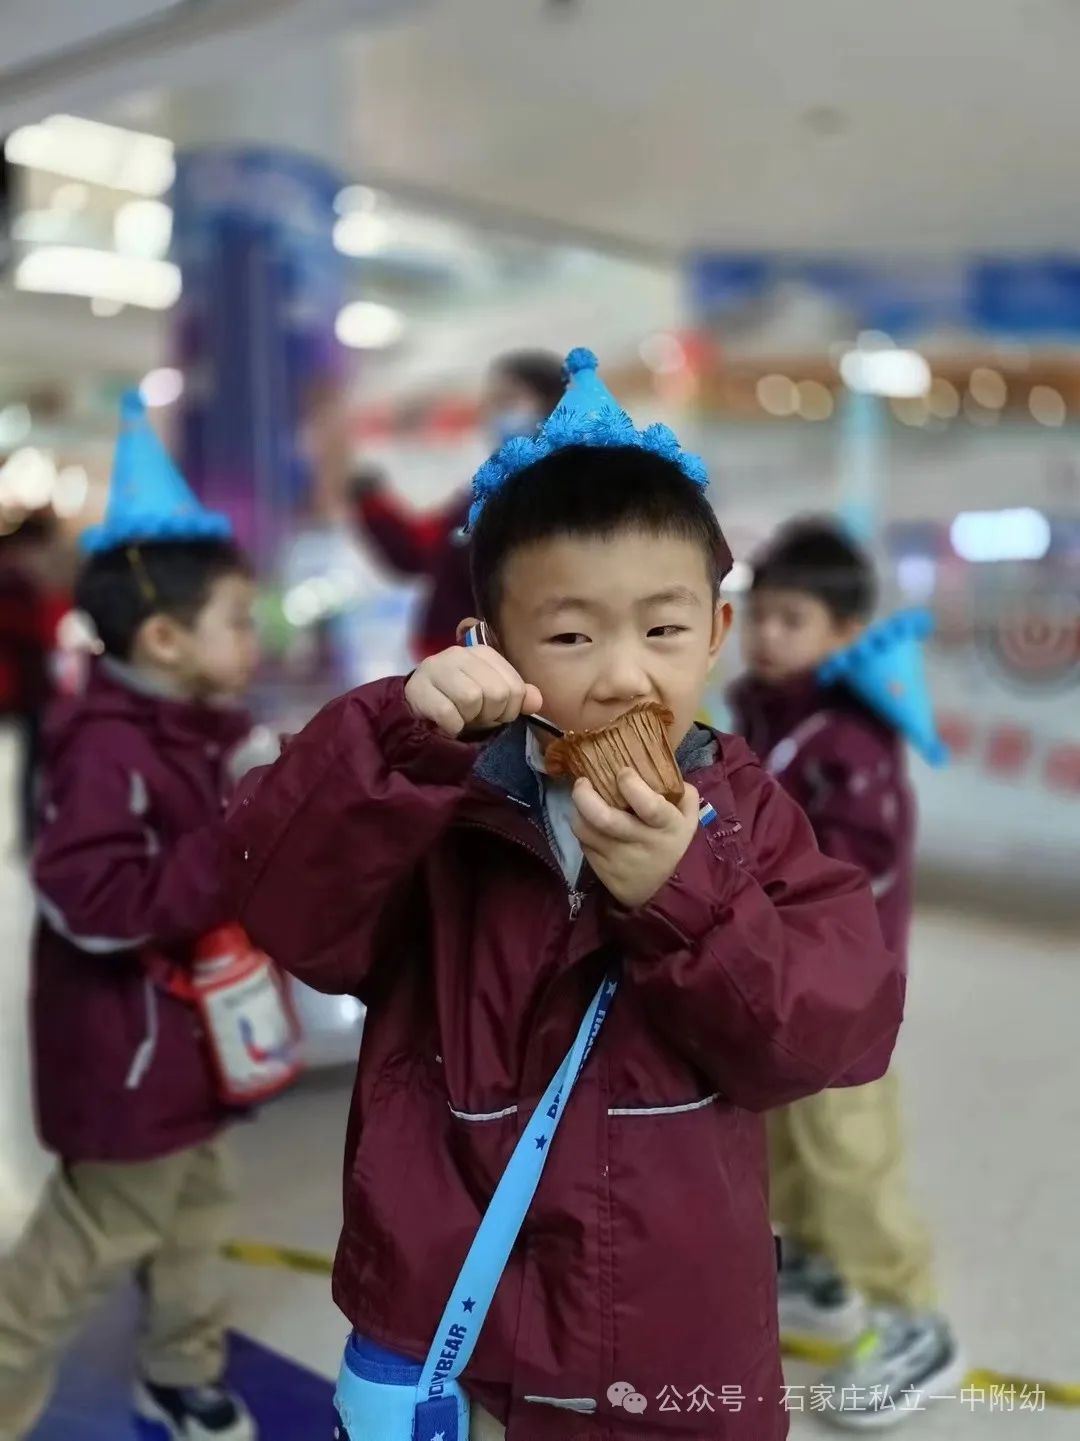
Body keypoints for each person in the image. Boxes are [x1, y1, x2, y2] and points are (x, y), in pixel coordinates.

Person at [227, 350, 904, 1441]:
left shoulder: (750, 813)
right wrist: (394, 739)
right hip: (454, 1323)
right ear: (491, 646)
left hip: (671, 1333)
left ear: (717, 636)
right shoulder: (441, 804)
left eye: (665, 629)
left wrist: (687, 898)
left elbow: (833, 1037)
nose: (626, 675)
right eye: (575, 633)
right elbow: (291, 911)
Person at [0, 394, 262, 1441]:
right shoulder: (106, 747)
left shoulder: (197, 728)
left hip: (188, 1050)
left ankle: (180, 1365)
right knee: (89, 1239)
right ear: (163, 635)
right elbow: (91, 900)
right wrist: (232, 848)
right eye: (237, 620)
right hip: (127, 1053)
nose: (253, 638)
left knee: (200, 1214)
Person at [729, 518, 962, 1429]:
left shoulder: (850, 737)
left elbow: (862, 862)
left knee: (851, 1150)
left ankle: (916, 1316)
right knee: (787, 1132)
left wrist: (761, 878)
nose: (767, 634)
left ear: (845, 630)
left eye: (792, 619)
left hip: (841, 990)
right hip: (780, 972)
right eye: (759, 615)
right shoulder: (765, 708)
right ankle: (821, 1271)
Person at [350, 349, 566, 658]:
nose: (493, 412)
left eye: (508, 400)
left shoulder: (560, 491)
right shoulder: (487, 487)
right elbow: (421, 550)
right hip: (463, 667)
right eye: (492, 401)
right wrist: (373, 505)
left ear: (551, 405)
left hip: (501, 670)